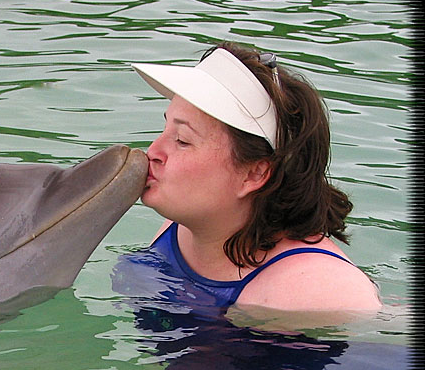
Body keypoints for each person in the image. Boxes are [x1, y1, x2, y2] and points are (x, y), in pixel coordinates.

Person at [129, 41, 381, 311]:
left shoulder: (318, 292)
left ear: (254, 173)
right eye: (165, 128)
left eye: (182, 140)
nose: (153, 151)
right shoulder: (180, 227)